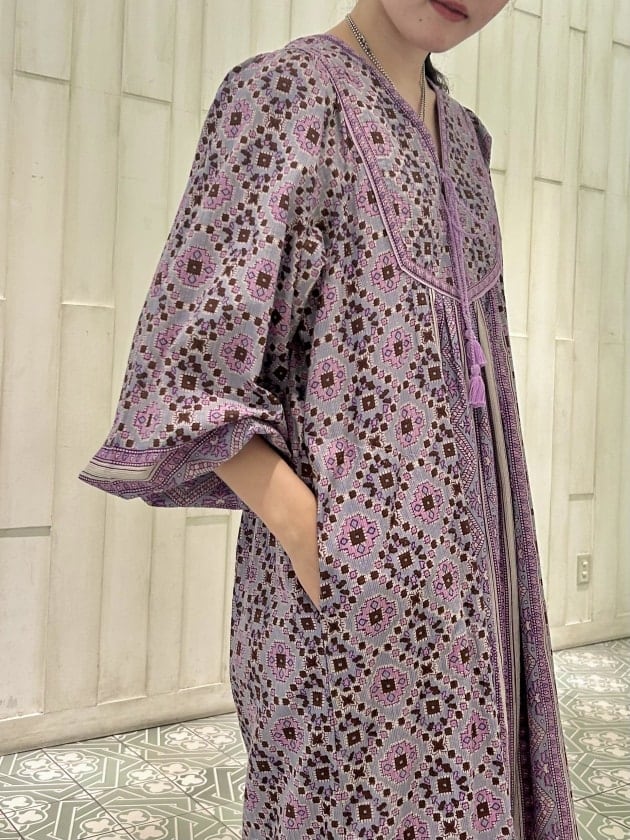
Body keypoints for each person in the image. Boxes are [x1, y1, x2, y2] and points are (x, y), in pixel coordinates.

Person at [79, 1, 579, 837]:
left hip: (478, 608)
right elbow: (185, 370)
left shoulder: (466, 142)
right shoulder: (285, 95)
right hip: (345, 623)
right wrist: (323, 543)